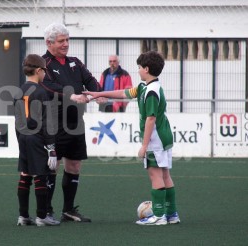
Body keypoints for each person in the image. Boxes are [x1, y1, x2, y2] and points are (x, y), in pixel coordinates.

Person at [83, 51, 180, 225]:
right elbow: (125, 93)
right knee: (165, 175)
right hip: (164, 137)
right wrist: (99, 93)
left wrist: (144, 145)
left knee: (155, 174)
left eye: (140, 67)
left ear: (147, 69)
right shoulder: (146, 87)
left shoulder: (151, 91)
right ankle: (171, 214)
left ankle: (158, 216)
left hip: (155, 139)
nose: (138, 70)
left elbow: (151, 118)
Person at [41, 23, 103, 223]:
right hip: (54, 124)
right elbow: (49, 86)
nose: (66, 44)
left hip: (76, 123)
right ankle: (46, 211)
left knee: (74, 166)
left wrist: (98, 93)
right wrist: (73, 96)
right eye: (61, 41)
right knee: (52, 166)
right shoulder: (43, 64)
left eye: (67, 40)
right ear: (49, 43)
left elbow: (90, 80)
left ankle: (68, 210)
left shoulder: (75, 62)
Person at [14, 54, 60, 227]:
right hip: (37, 138)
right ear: (39, 70)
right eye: (44, 72)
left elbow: (17, 120)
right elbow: (47, 123)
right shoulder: (41, 92)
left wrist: (20, 140)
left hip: (23, 137)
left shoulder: (19, 91)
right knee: (41, 175)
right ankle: (42, 216)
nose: (45, 75)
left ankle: (23, 216)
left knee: (25, 174)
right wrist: (51, 148)